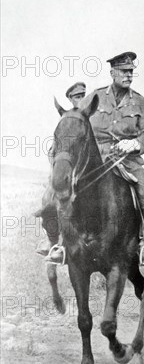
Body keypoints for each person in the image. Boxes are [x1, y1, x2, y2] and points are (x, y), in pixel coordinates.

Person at [45, 52, 144, 266]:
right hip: (93, 160)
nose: (129, 75)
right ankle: (60, 242)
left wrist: (134, 144)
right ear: (112, 73)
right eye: (124, 71)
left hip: (125, 160)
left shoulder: (139, 101)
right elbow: (76, 121)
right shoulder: (95, 96)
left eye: (131, 71)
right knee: (58, 189)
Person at [35, 82, 87, 260]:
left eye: (83, 96)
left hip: (90, 167)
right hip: (68, 169)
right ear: (70, 99)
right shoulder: (66, 120)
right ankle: (53, 241)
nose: (80, 100)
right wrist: (57, 168)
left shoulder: (90, 115)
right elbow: (54, 150)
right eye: (77, 97)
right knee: (48, 199)